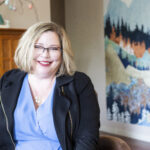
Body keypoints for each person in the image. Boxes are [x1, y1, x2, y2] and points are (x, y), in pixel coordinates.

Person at [0, 22, 100, 150]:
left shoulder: (80, 83)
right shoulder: (8, 81)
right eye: (38, 46)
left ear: (63, 53)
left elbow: (87, 137)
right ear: (27, 48)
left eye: (54, 48)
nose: (45, 54)